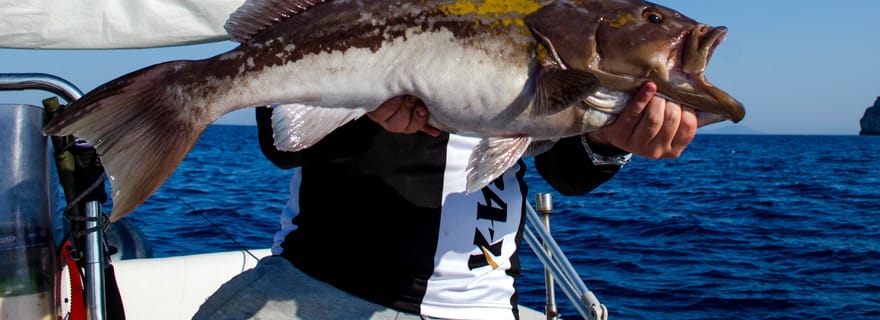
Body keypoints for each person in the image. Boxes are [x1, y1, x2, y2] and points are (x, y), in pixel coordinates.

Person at [194, 82, 697, 319]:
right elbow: (283, 138)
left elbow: (564, 170)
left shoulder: (545, 22)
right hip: (325, 288)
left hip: (487, 302)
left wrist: (610, 142)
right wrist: (367, 108)